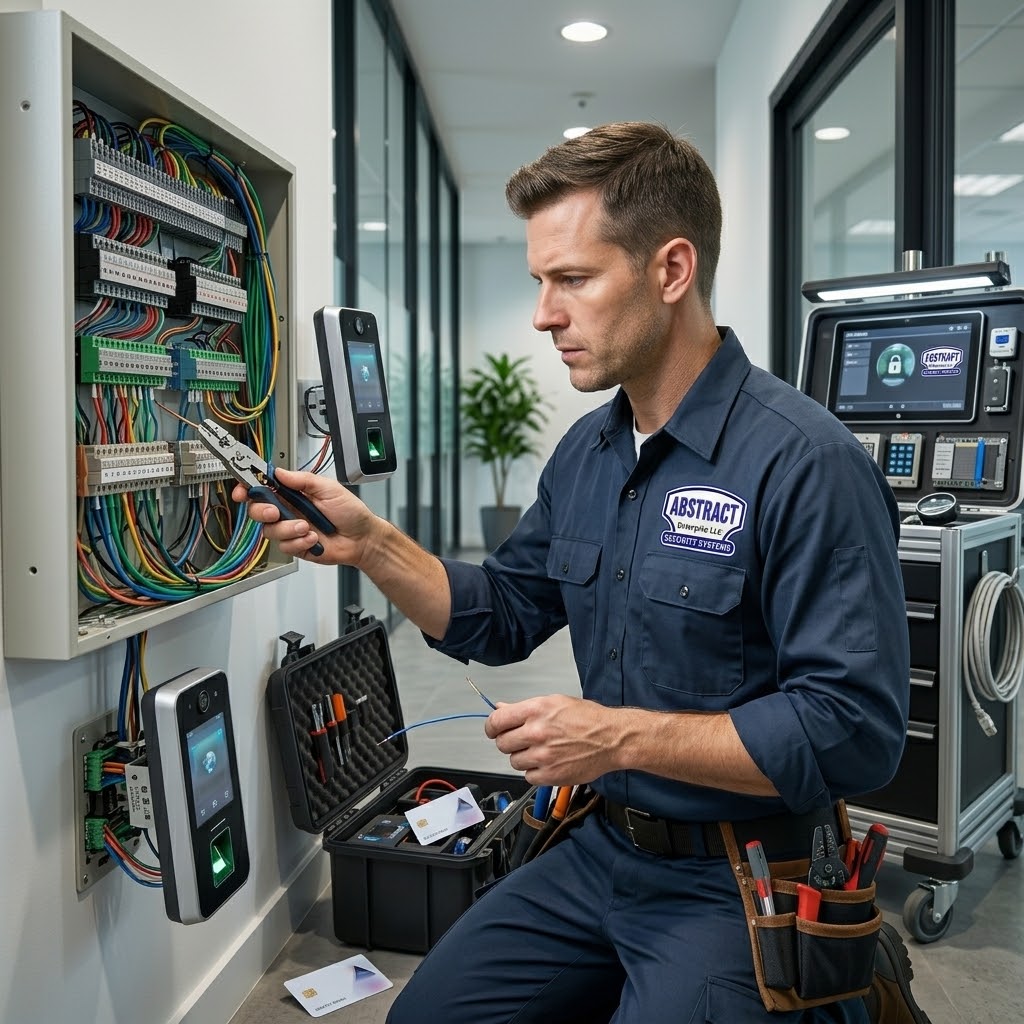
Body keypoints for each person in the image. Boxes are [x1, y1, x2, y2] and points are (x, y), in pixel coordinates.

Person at [238, 122, 927, 1023]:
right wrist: (372, 545)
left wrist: (617, 738)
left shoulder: (804, 463)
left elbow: (853, 731)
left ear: (670, 270)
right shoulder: (589, 454)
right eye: (539, 282)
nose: (543, 314)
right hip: (604, 849)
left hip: (746, 873)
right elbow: (505, 611)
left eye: (572, 279)